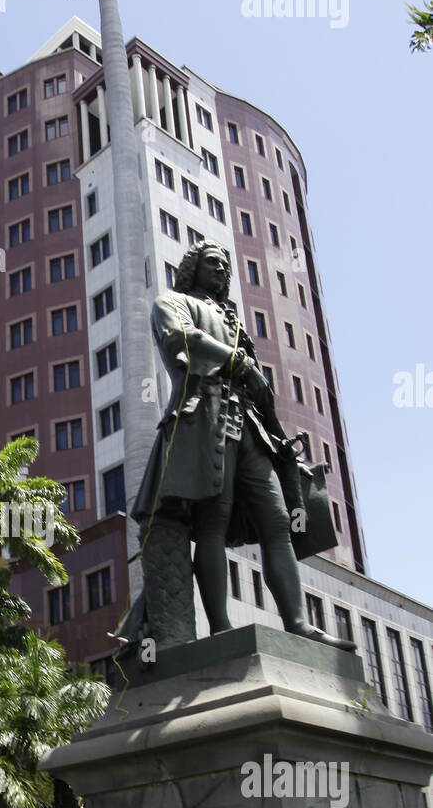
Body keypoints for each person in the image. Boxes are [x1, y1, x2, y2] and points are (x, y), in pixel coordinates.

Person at [126, 239, 354, 653]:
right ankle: (221, 628)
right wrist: (239, 363)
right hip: (205, 421)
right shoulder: (173, 301)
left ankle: (298, 623)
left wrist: (280, 438)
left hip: (250, 427)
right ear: (193, 269)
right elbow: (180, 339)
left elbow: (258, 390)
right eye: (213, 264)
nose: (222, 271)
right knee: (212, 521)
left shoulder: (234, 320)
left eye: (226, 266)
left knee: (279, 520)